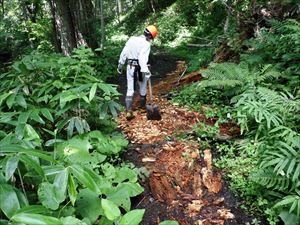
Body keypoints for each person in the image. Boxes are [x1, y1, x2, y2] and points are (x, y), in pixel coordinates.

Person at [117, 25, 158, 120]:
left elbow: (124, 53)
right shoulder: (146, 44)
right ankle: (142, 108)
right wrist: (146, 71)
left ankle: (128, 111)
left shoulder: (131, 39)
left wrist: (120, 65)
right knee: (142, 86)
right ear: (150, 37)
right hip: (140, 70)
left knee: (130, 88)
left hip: (130, 68)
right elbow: (142, 58)